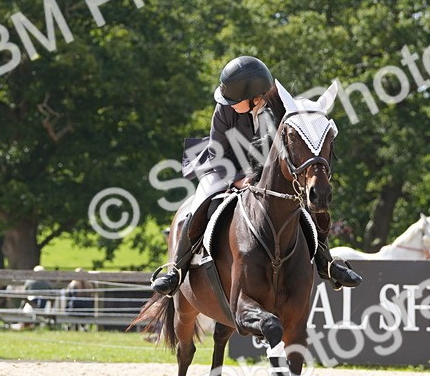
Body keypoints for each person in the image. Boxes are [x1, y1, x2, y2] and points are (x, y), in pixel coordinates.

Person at [150, 55, 361, 296]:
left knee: (306, 204)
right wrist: (239, 179)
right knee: (201, 201)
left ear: (256, 98)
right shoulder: (224, 110)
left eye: (234, 99)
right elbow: (217, 152)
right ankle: (177, 269)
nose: (228, 102)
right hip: (223, 165)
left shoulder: (279, 110)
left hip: (263, 172)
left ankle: (327, 262)